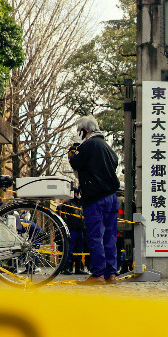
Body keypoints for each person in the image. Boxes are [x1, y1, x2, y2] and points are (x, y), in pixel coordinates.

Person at [68, 116, 121, 284]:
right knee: (110, 236)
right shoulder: (107, 147)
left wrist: (75, 146)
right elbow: (114, 163)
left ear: (85, 131)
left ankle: (98, 273)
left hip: (95, 198)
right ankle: (110, 273)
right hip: (112, 197)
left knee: (95, 235)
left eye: (79, 132)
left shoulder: (88, 145)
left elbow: (75, 162)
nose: (79, 134)